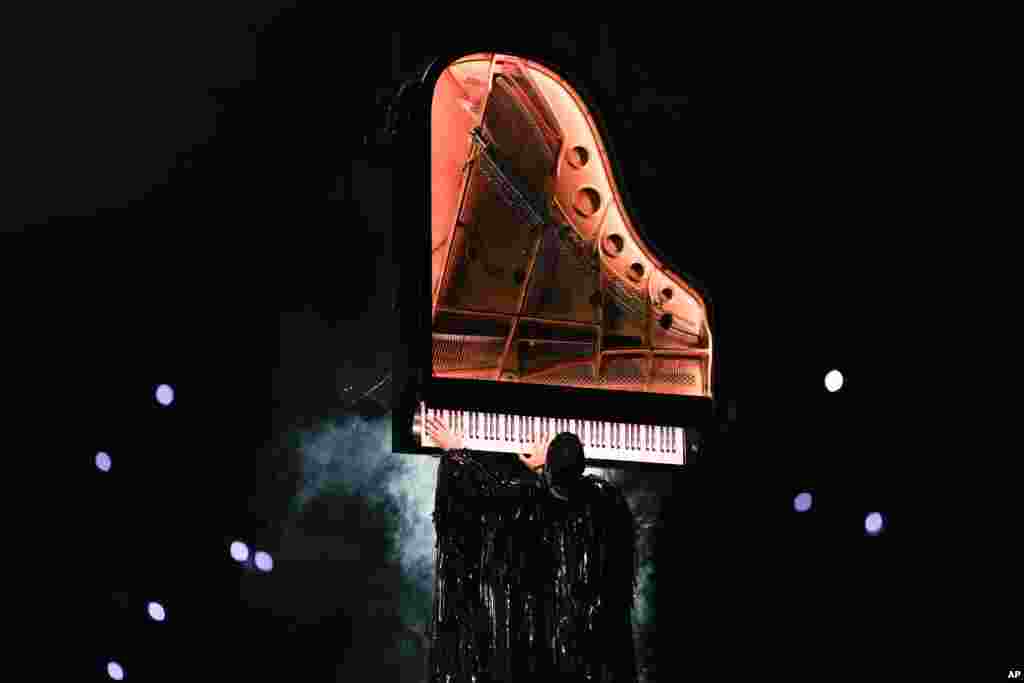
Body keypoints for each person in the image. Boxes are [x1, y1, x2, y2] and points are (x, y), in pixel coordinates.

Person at [424, 415, 638, 682]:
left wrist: (455, 452)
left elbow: (485, 493)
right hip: (592, 639)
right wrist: (541, 471)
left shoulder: (528, 502)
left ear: (548, 468)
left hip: (549, 635)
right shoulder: (607, 499)